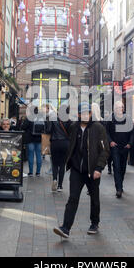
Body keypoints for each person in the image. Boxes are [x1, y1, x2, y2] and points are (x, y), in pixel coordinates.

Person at [53, 102, 110, 238]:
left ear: (91, 114)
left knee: (94, 198)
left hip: (93, 170)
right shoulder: (74, 127)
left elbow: (105, 150)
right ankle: (66, 228)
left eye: (88, 113)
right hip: (77, 169)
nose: (85, 115)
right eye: (83, 113)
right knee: (73, 198)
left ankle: (94, 223)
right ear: (78, 114)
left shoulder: (98, 128)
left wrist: (99, 168)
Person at [107, 101, 134, 199]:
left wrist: (130, 143)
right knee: (117, 167)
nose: (121, 109)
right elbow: (106, 132)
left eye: (122, 107)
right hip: (115, 147)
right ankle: (118, 189)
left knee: (123, 167)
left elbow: (132, 132)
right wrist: (110, 141)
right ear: (115, 109)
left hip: (125, 147)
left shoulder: (127, 118)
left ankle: (120, 185)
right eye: (119, 107)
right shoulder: (110, 119)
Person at [45, 105, 71, 192]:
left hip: (55, 142)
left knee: (55, 164)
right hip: (65, 143)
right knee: (62, 165)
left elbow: (48, 130)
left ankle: (55, 179)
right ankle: (60, 186)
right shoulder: (69, 120)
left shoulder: (53, 119)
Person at [21, 106, 44, 177]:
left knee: (30, 155)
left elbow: (23, 127)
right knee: (39, 156)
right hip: (39, 139)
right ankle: (38, 172)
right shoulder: (41, 118)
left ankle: (30, 172)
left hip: (30, 139)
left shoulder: (29, 118)